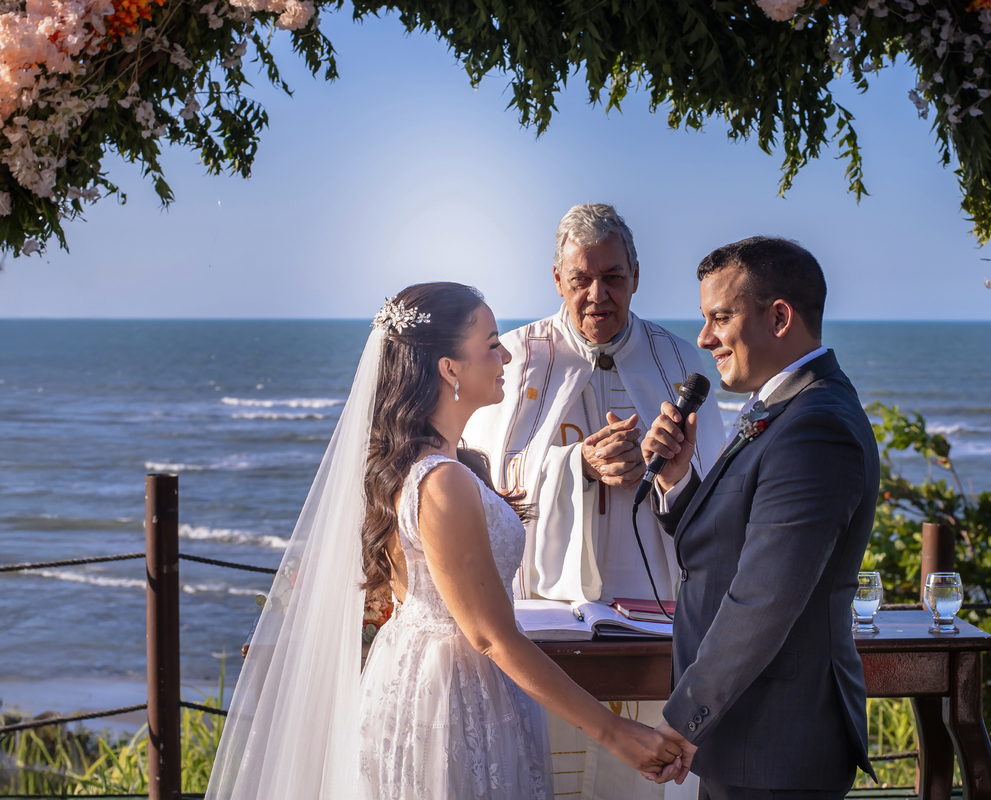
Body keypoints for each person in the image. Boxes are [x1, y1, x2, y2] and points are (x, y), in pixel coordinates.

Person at [205, 283, 686, 800]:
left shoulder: (435, 465)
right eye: (492, 344)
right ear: (450, 368)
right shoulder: (442, 481)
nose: (506, 356)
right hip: (451, 698)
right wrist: (617, 734)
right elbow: (492, 637)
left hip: (429, 674)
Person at [464, 205, 723, 799]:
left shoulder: (679, 361)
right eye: (581, 278)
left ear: (637, 276)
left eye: (613, 277)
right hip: (543, 612)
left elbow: (716, 488)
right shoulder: (512, 358)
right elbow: (480, 486)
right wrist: (575, 464)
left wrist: (667, 471)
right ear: (558, 279)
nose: (597, 295)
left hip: (654, 611)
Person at [641, 238, 879, 799]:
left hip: (777, 742)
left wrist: (683, 718)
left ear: (779, 318)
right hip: (745, 735)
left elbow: (764, 597)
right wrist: (677, 481)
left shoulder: (816, 426)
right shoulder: (783, 406)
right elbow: (734, 542)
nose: (704, 338)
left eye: (720, 317)